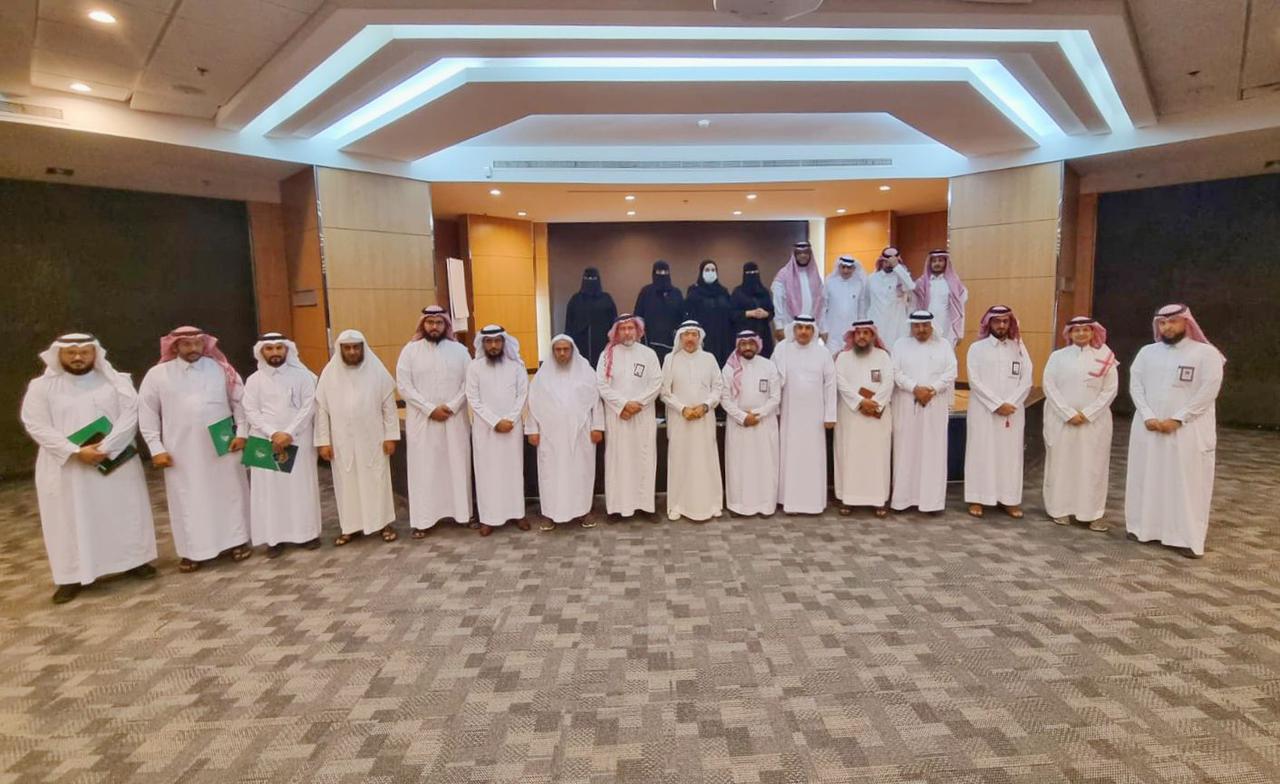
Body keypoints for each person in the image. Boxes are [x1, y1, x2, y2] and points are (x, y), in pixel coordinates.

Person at [20, 334, 157, 604]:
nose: (78, 357)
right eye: (71, 352)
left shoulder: (117, 382)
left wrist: (107, 447)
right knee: (68, 520)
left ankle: (133, 561)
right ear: (59, 355)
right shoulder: (41, 387)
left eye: (84, 352)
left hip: (114, 460)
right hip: (67, 468)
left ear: (95, 354)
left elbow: (131, 415)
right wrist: (74, 451)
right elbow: (35, 424)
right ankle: (71, 576)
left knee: (122, 511)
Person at [138, 326, 252, 572]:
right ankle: (193, 551)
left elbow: (240, 402)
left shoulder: (222, 369)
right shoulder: (158, 375)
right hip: (181, 451)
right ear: (175, 346)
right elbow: (147, 413)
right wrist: (156, 448)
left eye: (197, 343)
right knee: (188, 499)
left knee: (229, 493)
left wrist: (242, 433)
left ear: (205, 344)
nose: (193, 348)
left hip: (223, 445)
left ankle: (237, 541)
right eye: (186, 344)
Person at [1125, 304, 1226, 558]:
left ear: (1186, 323)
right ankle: (1144, 528)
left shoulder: (1206, 353)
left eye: (1173, 322)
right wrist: (1148, 415)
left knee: (1185, 483)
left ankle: (1185, 538)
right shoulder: (1147, 353)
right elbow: (1136, 385)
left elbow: (1209, 390)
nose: (1167, 327)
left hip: (1187, 432)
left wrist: (1179, 418)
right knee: (1146, 477)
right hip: (1149, 428)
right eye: (1162, 323)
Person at [314, 329, 400, 546]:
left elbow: (389, 408)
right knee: (347, 484)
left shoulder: (377, 371)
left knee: (377, 481)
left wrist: (391, 436)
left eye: (356, 347)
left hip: (374, 440)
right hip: (342, 442)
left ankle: (383, 524)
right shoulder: (329, 374)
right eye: (347, 348)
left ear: (363, 348)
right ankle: (350, 527)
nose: (352, 352)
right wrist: (323, 442)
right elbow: (321, 411)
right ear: (340, 349)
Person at [242, 333, 321, 557]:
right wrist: (273, 433)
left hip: (298, 438)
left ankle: (306, 534)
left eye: (279, 348)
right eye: (269, 348)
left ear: (287, 350)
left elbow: (309, 406)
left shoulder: (303, 376)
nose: (275, 352)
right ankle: (273, 539)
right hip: (263, 440)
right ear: (261, 352)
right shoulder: (254, 380)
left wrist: (289, 433)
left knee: (300, 488)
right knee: (268, 491)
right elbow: (250, 410)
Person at [397, 306, 472, 536]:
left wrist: (451, 406)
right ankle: (424, 520)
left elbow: (469, 383)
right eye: (430, 322)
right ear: (423, 324)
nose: (434, 327)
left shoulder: (460, 351)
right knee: (424, 469)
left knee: (457, 466)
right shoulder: (410, 351)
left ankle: (462, 514)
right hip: (423, 422)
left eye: (439, 323)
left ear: (445, 325)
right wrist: (429, 409)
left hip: (453, 420)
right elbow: (404, 386)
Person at [1042, 316, 1119, 531]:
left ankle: (1092, 513)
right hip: (1061, 420)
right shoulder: (1057, 357)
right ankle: (1059, 509)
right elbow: (1049, 386)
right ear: (1069, 333)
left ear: (1093, 332)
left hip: (1094, 422)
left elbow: (1110, 390)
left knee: (1092, 467)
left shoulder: (1105, 357)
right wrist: (1067, 413)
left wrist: (1087, 414)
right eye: (1076, 330)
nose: (1081, 333)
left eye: (1086, 329)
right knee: (1061, 464)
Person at [527, 334, 604, 530]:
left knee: (581, 473)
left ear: (572, 350)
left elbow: (596, 402)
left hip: (581, 435)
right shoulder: (542, 376)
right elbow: (533, 404)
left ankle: (583, 511)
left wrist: (597, 427)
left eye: (565, 349)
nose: (562, 353)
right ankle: (550, 514)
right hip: (550, 436)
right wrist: (532, 430)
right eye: (558, 350)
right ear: (553, 352)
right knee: (550, 475)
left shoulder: (586, 372)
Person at [964, 305, 1033, 519]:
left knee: (1010, 455)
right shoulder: (977, 348)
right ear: (989, 323)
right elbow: (974, 380)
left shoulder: (1019, 348)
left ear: (1010, 323)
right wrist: (996, 404)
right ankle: (977, 498)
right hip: (983, 411)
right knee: (981, 452)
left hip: (1012, 412)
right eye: (997, 321)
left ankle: (1009, 499)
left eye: (1005, 321)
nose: (1001, 325)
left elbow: (1027, 379)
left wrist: (1011, 403)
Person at [596, 313, 662, 521]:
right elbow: (601, 385)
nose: (627, 332)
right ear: (616, 332)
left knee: (644, 459)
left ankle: (646, 507)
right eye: (623, 329)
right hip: (618, 417)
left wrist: (636, 404)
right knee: (618, 461)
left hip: (642, 415)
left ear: (638, 330)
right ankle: (616, 508)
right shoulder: (607, 355)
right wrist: (623, 405)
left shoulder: (648, 354)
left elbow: (656, 383)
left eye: (630, 328)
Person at [466, 325, 531, 536]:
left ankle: (517, 513)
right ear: (483, 344)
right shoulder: (474, 368)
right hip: (485, 429)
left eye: (497, 341)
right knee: (487, 473)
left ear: (504, 342)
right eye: (489, 341)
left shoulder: (516, 366)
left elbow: (522, 394)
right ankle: (488, 518)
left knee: (513, 471)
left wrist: (510, 419)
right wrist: (495, 422)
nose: (493, 345)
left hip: (511, 428)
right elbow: (473, 399)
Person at [890, 311, 957, 514]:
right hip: (906, 405)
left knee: (933, 453)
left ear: (932, 326)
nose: (921, 329)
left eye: (925, 325)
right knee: (906, 451)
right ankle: (903, 499)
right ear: (911, 327)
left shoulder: (944, 345)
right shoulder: (900, 345)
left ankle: (931, 502)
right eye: (917, 326)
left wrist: (933, 389)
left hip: (935, 406)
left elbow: (951, 372)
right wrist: (915, 388)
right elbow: (895, 372)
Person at [660, 320, 724, 522]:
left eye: (694, 334)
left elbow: (718, 387)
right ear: (680, 337)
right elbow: (664, 392)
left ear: (699, 337)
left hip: (704, 418)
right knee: (680, 460)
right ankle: (677, 505)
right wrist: (683, 409)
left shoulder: (709, 358)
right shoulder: (670, 359)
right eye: (686, 334)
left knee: (706, 460)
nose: (690, 338)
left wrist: (705, 406)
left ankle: (712, 504)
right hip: (680, 419)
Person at [772, 315, 836, 514]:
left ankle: (813, 503)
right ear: (794, 329)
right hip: (790, 414)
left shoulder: (823, 353)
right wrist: (775, 410)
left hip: (815, 417)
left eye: (808, 328)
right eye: (799, 328)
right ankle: (789, 501)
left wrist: (830, 415)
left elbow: (830, 384)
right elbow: (774, 380)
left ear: (813, 331)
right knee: (790, 455)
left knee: (812, 457)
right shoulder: (782, 349)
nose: (803, 332)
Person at [832, 321, 894, 517]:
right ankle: (848, 499)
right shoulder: (843, 357)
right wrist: (860, 402)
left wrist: (875, 403)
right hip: (850, 416)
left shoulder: (883, 356)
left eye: (866, 333)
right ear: (853, 335)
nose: (862, 337)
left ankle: (879, 500)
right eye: (858, 333)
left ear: (873, 336)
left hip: (877, 417)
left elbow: (889, 382)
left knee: (877, 457)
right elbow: (840, 382)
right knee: (849, 456)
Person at [720, 330, 782, 516]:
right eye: (743, 343)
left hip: (764, 423)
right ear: (738, 346)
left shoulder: (769, 366)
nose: (747, 347)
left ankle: (765, 505)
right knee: (739, 467)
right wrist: (742, 417)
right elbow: (724, 398)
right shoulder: (729, 368)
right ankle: (738, 506)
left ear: (758, 344)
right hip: (739, 424)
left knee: (765, 465)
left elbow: (775, 397)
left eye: (751, 343)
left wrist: (757, 414)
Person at [771, 241, 825, 343]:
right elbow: (777, 302)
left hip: (810, 327)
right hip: (789, 326)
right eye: (799, 253)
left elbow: (821, 304)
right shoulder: (783, 274)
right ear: (794, 255)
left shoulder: (815, 275)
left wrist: (821, 327)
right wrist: (779, 326)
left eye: (806, 253)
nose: (803, 256)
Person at [684, 260, 735, 365]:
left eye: (713, 270)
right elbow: (689, 316)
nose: (710, 272)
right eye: (707, 270)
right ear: (701, 272)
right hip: (704, 338)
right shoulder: (694, 292)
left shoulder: (723, 292)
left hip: (722, 338)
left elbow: (730, 314)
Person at [564, 267, 617, 367]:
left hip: (602, 342)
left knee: (601, 367)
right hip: (580, 342)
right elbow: (569, 324)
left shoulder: (606, 299)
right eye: (587, 278)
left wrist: (614, 341)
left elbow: (614, 323)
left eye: (593, 278)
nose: (590, 281)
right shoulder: (575, 299)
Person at [633, 260, 685, 363]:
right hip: (650, 341)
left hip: (672, 342)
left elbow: (682, 317)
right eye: (659, 272)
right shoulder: (646, 292)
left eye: (665, 272)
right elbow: (638, 316)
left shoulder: (676, 293)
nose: (662, 274)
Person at [915, 249, 968, 346]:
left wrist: (959, 333)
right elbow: (914, 305)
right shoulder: (921, 283)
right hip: (926, 324)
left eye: (940, 260)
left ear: (945, 262)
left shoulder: (955, 283)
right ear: (930, 263)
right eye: (934, 261)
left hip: (947, 326)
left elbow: (960, 309)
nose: (937, 263)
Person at [867, 247, 917, 348]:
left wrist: (897, 267)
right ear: (881, 261)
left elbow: (911, 286)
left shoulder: (901, 277)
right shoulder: (872, 278)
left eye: (892, 262)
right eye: (886, 261)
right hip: (877, 321)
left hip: (896, 323)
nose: (888, 264)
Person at [821, 255, 870, 356]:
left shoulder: (859, 284)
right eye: (843, 267)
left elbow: (861, 310)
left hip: (851, 331)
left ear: (854, 269)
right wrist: (824, 329)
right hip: (832, 332)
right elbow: (823, 307)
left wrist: (861, 330)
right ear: (838, 267)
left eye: (849, 268)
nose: (845, 270)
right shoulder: (830, 282)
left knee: (850, 359)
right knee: (832, 359)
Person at [729, 261, 776, 356]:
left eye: (755, 272)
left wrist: (765, 314)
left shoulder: (764, 292)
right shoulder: (738, 292)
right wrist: (749, 313)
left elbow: (771, 312)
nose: (752, 275)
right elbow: (732, 314)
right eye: (749, 273)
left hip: (763, 334)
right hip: (744, 335)